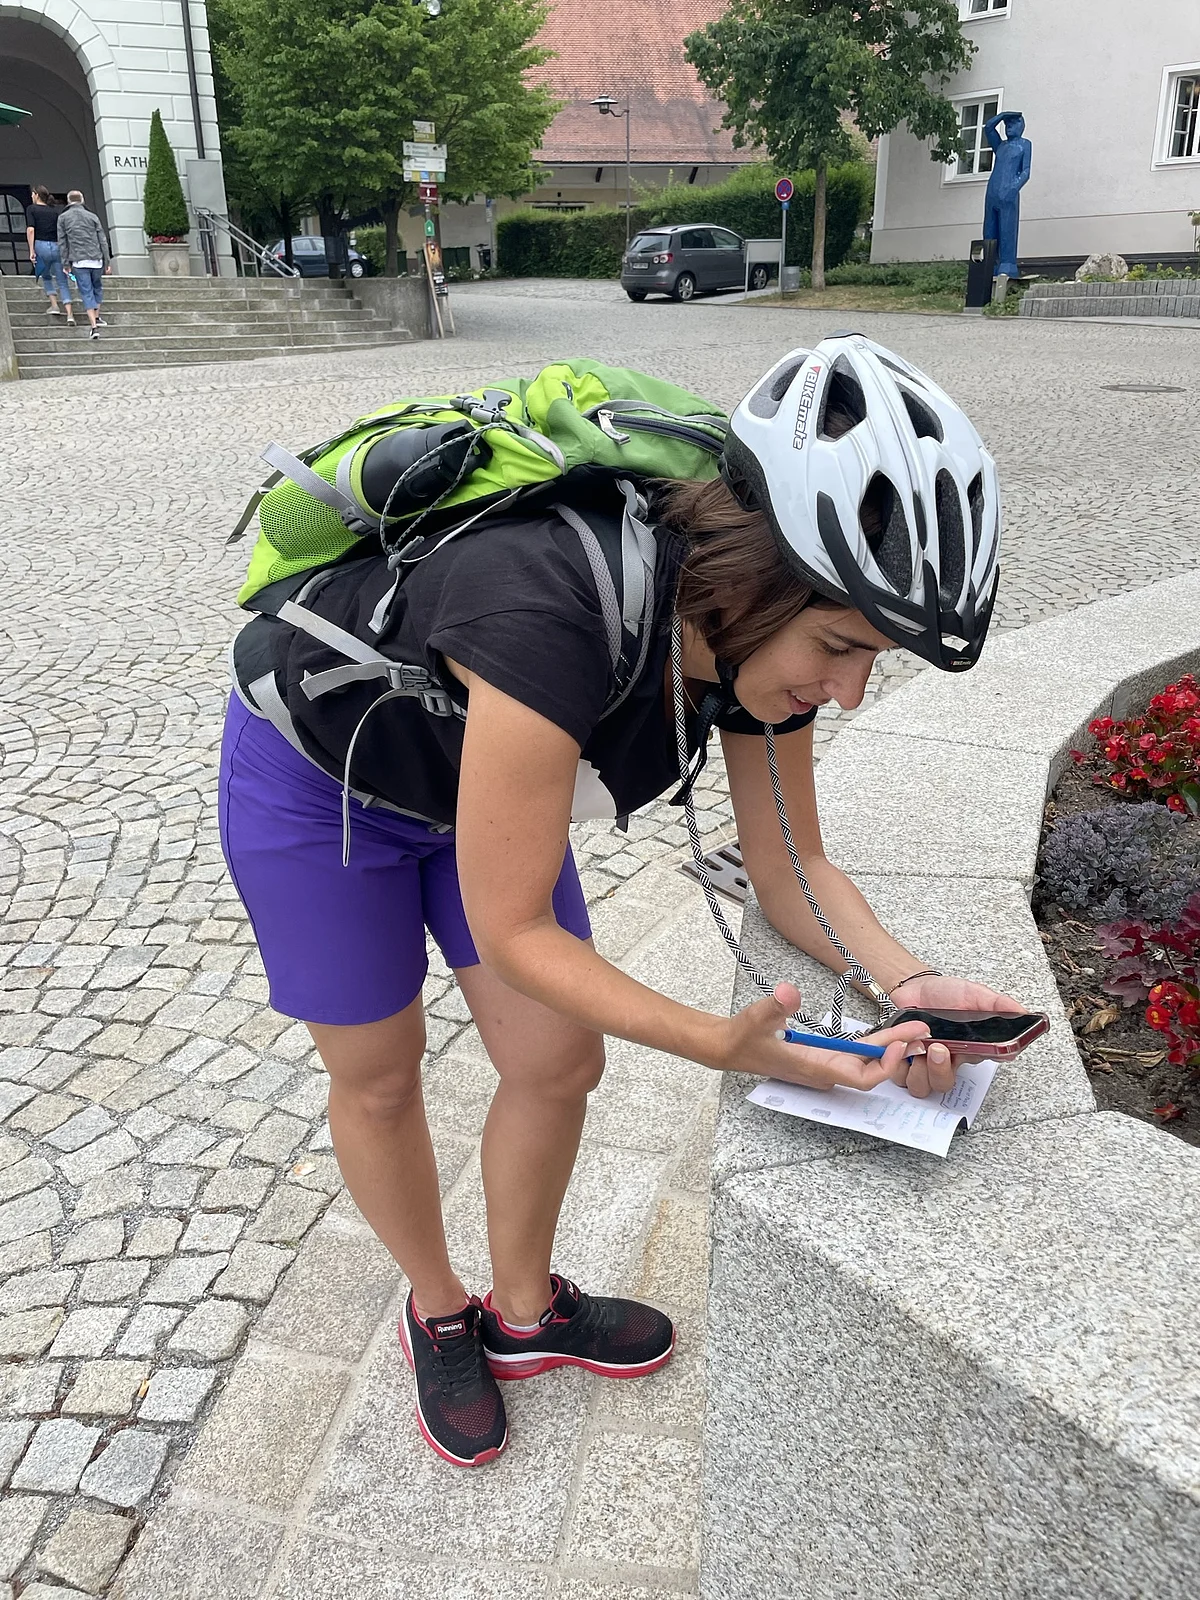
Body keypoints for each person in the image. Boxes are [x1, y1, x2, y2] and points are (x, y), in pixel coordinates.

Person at [220, 333, 1023, 1469]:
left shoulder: (755, 641)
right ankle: (440, 1309)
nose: (846, 693)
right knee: (380, 1074)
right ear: (755, 582)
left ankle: (525, 1309)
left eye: (873, 660)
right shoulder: (548, 603)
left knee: (555, 1061)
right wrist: (726, 1043)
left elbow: (790, 865)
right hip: (322, 787)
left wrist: (908, 981)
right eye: (841, 647)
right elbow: (516, 930)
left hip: (483, 783)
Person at [57, 190, 110, 340]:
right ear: (82, 200)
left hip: (79, 260)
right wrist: (107, 261)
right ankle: (97, 316)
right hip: (96, 259)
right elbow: (102, 240)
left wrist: (65, 262)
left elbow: (62, 243)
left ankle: (94, 326)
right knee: (97, 287)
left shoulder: (63, 218)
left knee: (86, 291)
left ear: (68, 202)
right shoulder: (92, 216)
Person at [25, 185, 73, 325]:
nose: (31, 197)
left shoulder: (31, 209)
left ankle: (54, 305)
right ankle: (70, 314)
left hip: (41, 245)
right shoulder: (54, 211)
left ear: (36, 195)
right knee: (62, 281)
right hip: (56, 245)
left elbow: (31, 230)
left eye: (33, 194)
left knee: (46, 277)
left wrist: (31, 250)